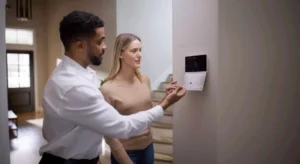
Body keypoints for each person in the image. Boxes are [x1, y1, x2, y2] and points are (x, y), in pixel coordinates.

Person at [38, 10, 186, 164]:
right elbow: (122, 127)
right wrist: (166, 104)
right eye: (99, 41)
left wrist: (94, 157)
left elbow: (91, 125)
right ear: (80, 45)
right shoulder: (75, 86)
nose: (105, 47)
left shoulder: (80, 75)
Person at [100, 33, 175, 164]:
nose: (139, 54)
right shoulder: (107, 89)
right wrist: (125, 160)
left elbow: (147, 113)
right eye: (134, 50)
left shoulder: (144, 80)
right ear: (120, 54)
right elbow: (109, 133)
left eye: (140, 50)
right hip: (125, 152)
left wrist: (166, 98)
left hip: (148, 147)